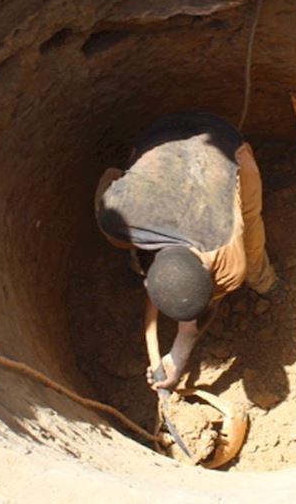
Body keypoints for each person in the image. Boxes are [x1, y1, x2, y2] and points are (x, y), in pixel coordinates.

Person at [94, 111, 277, 390]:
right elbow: (111, 177)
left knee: (249, 221)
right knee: (121, 229)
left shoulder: (227, 257)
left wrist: (180, 350)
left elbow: (196, 315)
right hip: (161, 134)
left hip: (222, 143)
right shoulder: (115, 219)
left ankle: (264, 281)